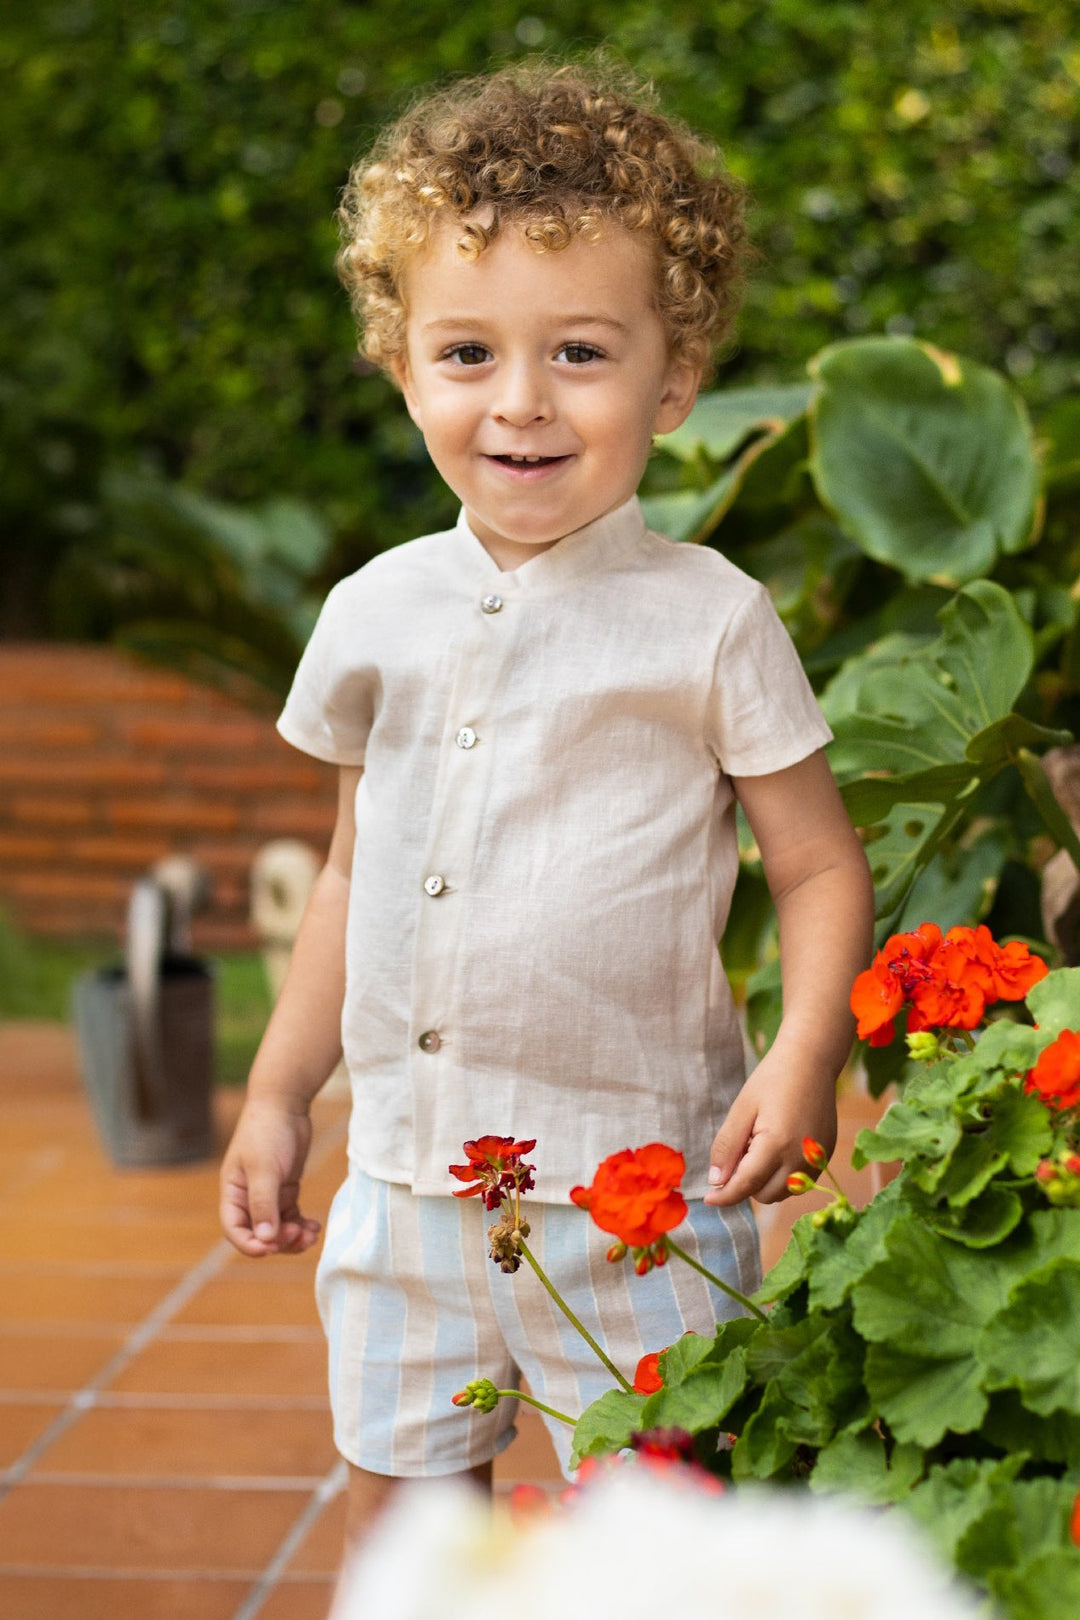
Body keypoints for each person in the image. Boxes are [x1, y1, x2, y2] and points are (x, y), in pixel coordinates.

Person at [219, 58, 875, 1548]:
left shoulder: (710, 622)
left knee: (655, 1538)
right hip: (405, 1186)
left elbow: (822, 867)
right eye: (466, 353)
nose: (519, 403)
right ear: (402, 367)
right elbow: (345, 877)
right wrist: (274, 1091)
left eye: (580, 351)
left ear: (675, 377)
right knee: (411, 1537)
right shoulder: (374, 613)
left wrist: (808, 1048)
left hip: (638, 1188)